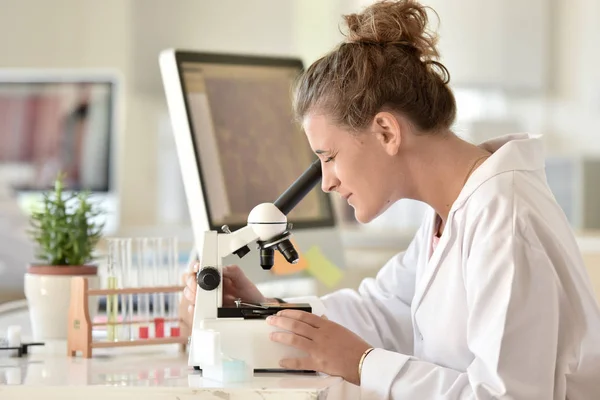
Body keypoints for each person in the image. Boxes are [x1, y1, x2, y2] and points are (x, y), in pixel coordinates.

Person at [182, 0, 600, 398]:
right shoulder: (452, 211)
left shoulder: (504, 220)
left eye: (329, 157)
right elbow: (384, 309)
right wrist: (267, 310)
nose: (326, 182)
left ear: (386, 131)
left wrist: (363, 364)